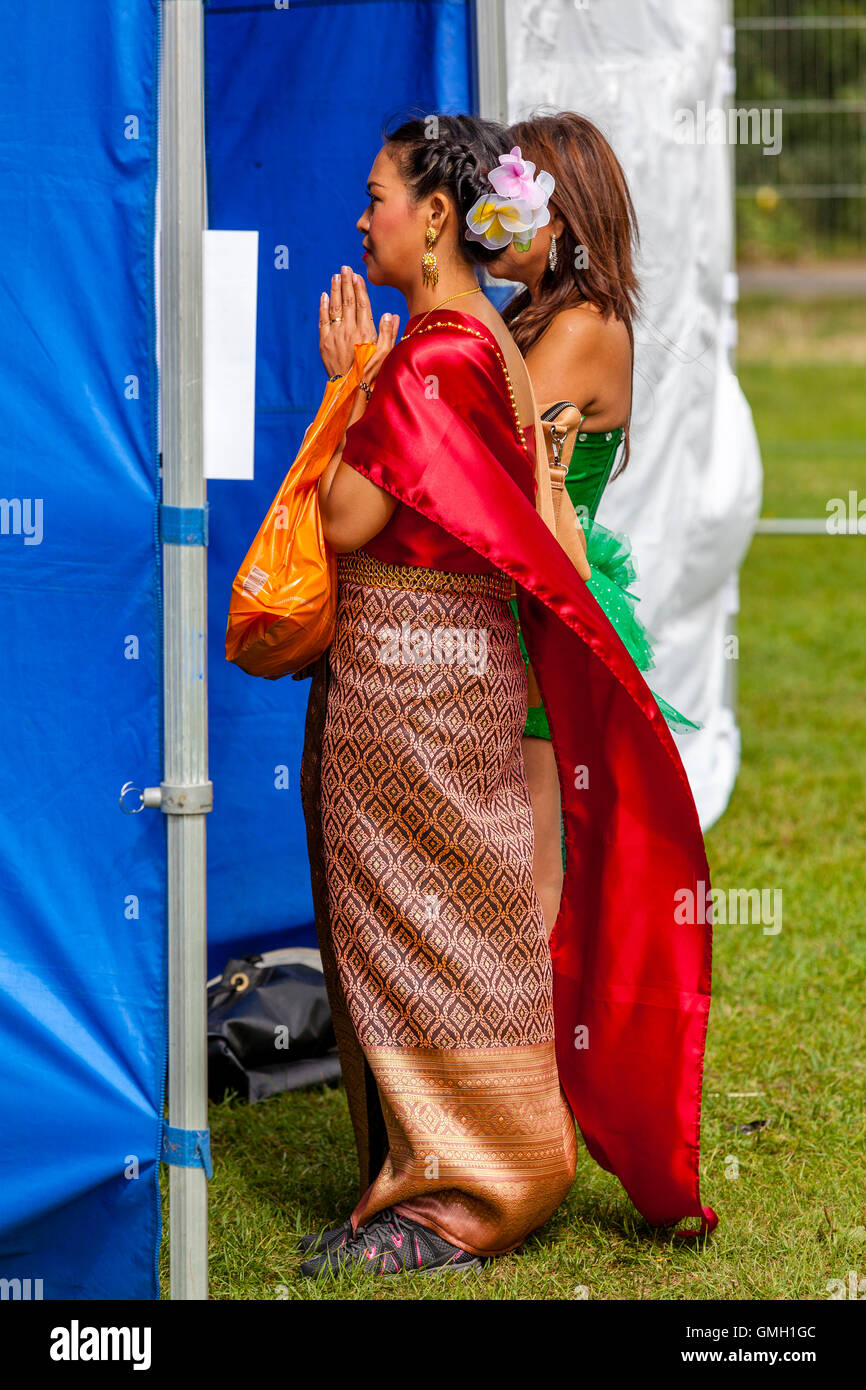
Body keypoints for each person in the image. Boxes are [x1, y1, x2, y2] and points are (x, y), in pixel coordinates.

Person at [296, 116, 716, 1279]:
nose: (362, 213)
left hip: (485, 646)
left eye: (376, 192)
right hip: (496, 636)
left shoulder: (513, 338)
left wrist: (347, 389)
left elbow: (352, 518)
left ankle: (495, 1148)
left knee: (511, 899)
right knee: (492, 899)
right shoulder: (495, 332)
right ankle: (475, 1141)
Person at [485, 111, 697, 936]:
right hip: (516, 596)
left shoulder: (581, 327)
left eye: (506, 197)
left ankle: (541, 1061)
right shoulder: (532, 311)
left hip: (543, 604)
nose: (485, 216)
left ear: (560, 215)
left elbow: (482, 443)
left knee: (536, 858)